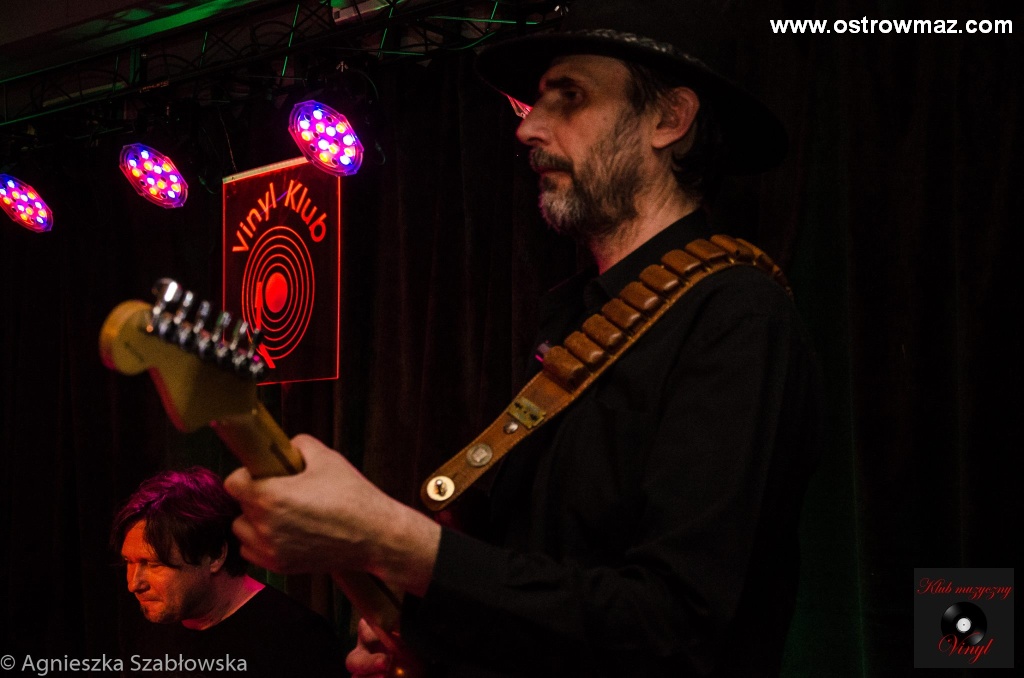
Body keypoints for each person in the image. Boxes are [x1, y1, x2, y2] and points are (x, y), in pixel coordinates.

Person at [225, 1, 822, 676]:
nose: (528, 127)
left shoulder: (737, 316)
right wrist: (421, 635)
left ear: (668, 119)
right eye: (537, 101)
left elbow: (675, 630)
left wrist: (393, 538)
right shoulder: (576, 318)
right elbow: (545, 599)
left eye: (570, 97)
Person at [111, 466, 346, 677]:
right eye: (129, 562)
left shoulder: (296, 638)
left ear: (215, 555)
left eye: (153, 564)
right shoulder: (156, 621)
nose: (134, 584)